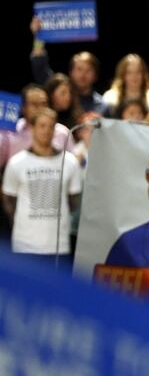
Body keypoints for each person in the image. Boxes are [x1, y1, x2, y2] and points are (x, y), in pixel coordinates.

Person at [2, 109, 82, 262]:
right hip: (25, 243)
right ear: (32, 128)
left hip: (58, 245)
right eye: (42, 126)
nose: (47, 131)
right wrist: (20, 222)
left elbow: (74, 200)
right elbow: (8, 200)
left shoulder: (70, 162)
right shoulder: (17, 162)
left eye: (51, 126)